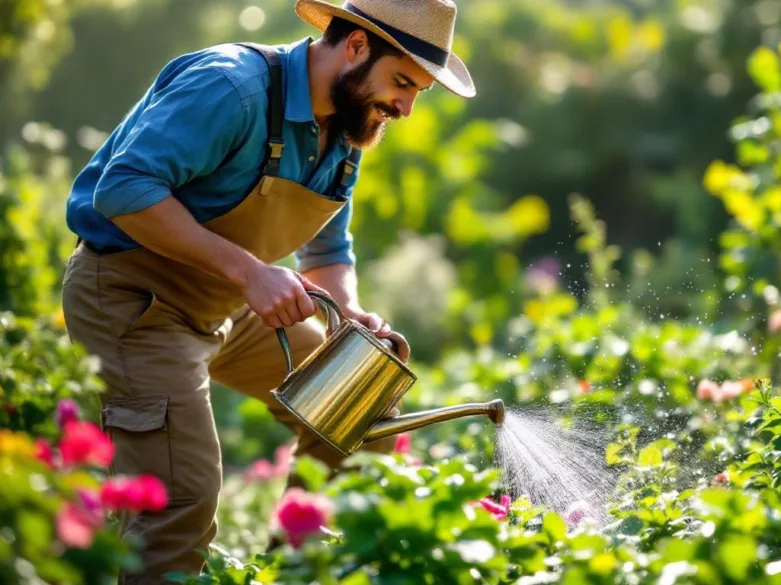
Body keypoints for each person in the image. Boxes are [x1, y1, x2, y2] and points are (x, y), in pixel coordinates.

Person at [59, 0, 475, 582]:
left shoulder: (349, 126)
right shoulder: (231, 88)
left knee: (360, 408)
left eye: (418, 92)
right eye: (401, 82)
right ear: (355, 46)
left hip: (227, 303)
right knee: (182, 501)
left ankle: (300, 570)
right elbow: (123, 189)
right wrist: (252, 272)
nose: (405, 107)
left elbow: (328, 251)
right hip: (134, 298)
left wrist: (349, 313)